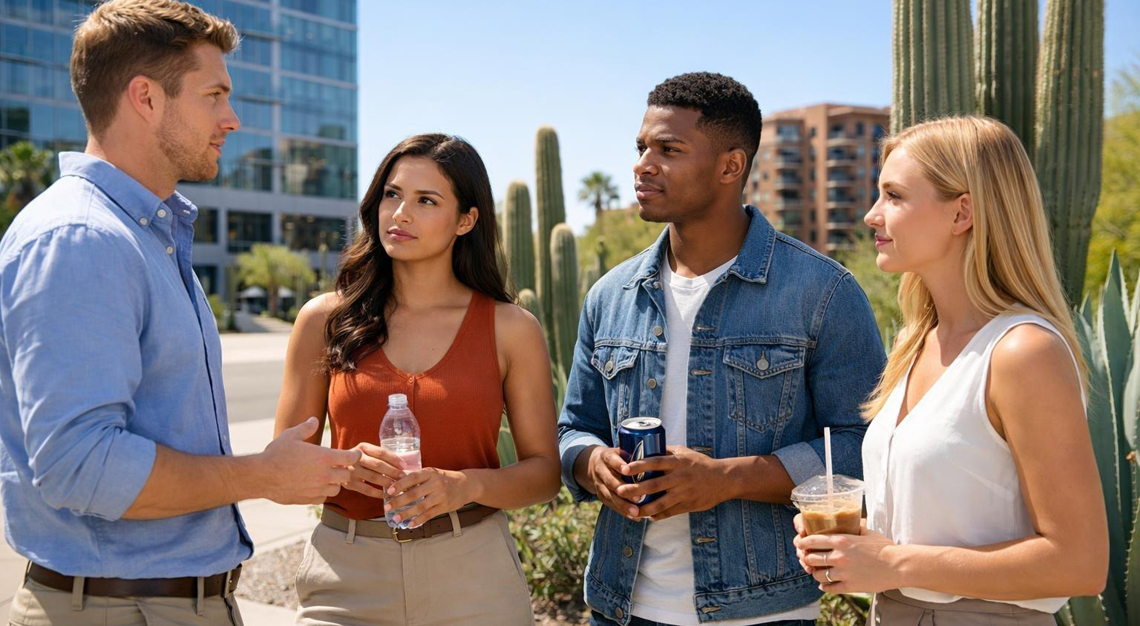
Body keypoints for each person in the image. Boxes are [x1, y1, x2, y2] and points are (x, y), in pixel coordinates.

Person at [0, 1, 362, 624]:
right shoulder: (84, 239)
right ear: (146, 98)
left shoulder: (147, 235)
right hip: (119, 610)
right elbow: (81, 466)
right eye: (214, 95)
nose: (233, 118)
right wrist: (262, 476)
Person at [557, 72, 886, 626]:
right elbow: (573, 429)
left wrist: (724, 479)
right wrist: (594, 465)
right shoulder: (609, 296)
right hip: (620, 606)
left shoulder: (822, 293)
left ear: (731, 167)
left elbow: (864, 449)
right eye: (641, 148)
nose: (642, 164)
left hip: (761, 611)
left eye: (669, 149)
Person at [793, 115, 1109, 625]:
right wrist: (859, 549)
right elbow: (942, 520)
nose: (873, 215)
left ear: (962, 212)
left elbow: (1079, 564)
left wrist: (893, 562)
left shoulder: (1022, 352)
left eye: (894, 196)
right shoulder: (913, 343)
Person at [274, 133, 561, 626]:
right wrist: (342, 468)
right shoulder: (323, 320)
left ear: (466, 220)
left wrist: (463, 486)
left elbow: (544, 475)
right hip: (346, 574)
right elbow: (281, 474)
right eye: (392, 194)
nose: (400, 213)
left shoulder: (511, 328)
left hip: (474, 575)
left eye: (426, 200)